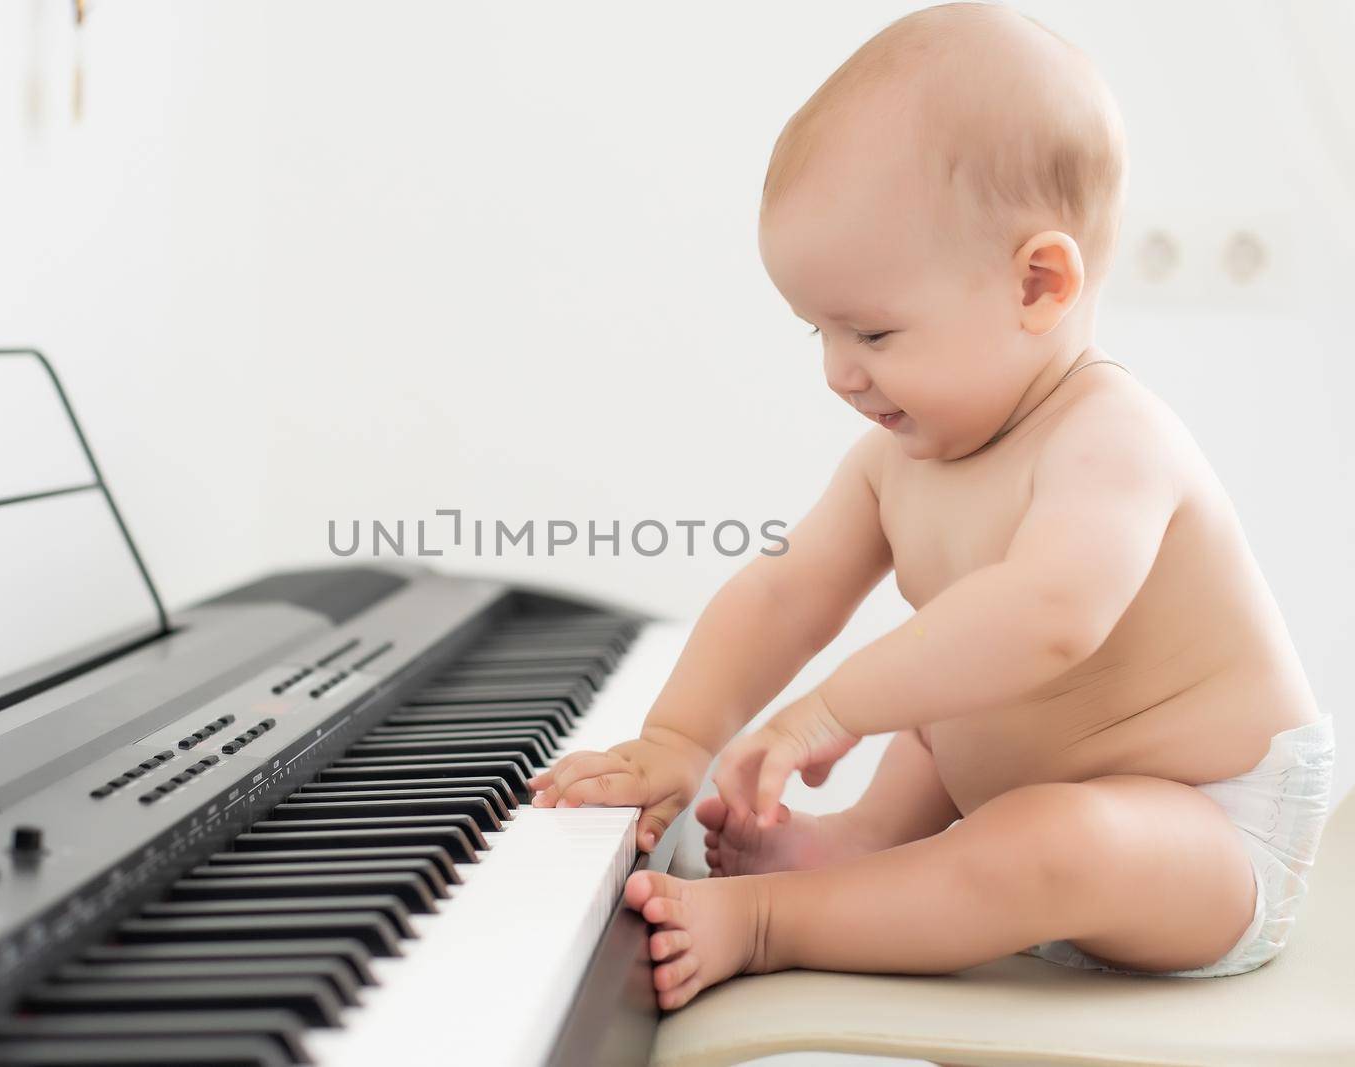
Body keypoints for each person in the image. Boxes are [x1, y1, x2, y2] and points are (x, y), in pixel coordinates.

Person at [528, 1, 1335, 1010]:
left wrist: (830, 708)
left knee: (1042, 813)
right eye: (814, 331)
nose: (837, 371)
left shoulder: (1112, 437)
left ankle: (780, 919)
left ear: (1037, 283)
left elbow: (1047, 618)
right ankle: (857, 848)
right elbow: (786, 592)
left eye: (870, 332)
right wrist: (678, 739)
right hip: (1034, 780)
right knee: (955, 694)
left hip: (1207, 831)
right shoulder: (893, 463)